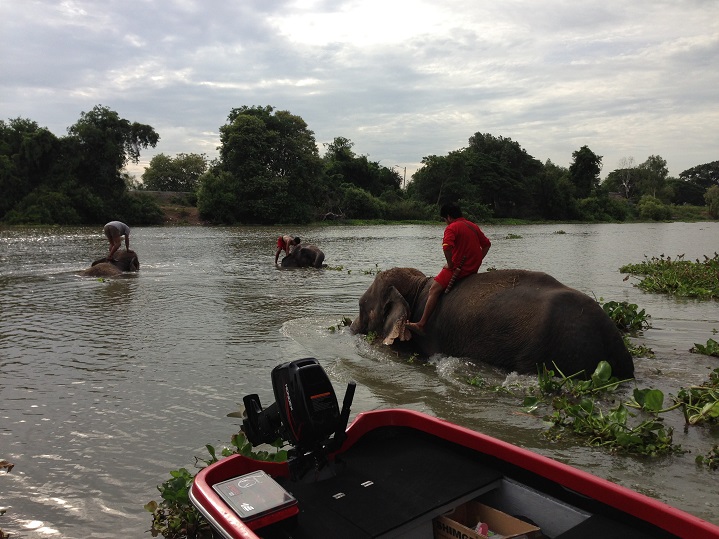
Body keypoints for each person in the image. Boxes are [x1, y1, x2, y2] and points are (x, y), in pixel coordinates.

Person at [406, 202, 491, 335]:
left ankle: (421, 324)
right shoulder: (473, 226)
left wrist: (450, 264)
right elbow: (487, 244)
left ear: (449, 217)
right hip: (472, 268)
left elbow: (446, 247)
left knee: (434, 289)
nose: (445, 222)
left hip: (458, 269)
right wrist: (478, 260)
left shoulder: (452, 227)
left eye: (444, 219)